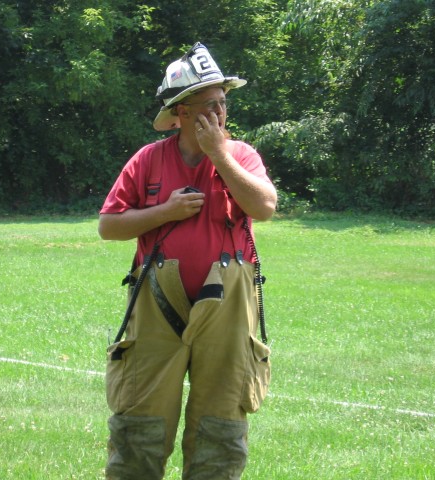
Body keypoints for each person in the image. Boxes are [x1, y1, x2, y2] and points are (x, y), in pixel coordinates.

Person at [99, 42, 277, 480]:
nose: (221, 112)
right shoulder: (148, 159)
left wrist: (219, 153)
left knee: (220, 424)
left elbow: (265, 207)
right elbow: (109, 226)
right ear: (181, 112)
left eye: (223, 102)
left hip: (229, 305)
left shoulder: (242, 155)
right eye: (209, 104)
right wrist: (165, 212)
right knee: (139, 421)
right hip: (157, 302)